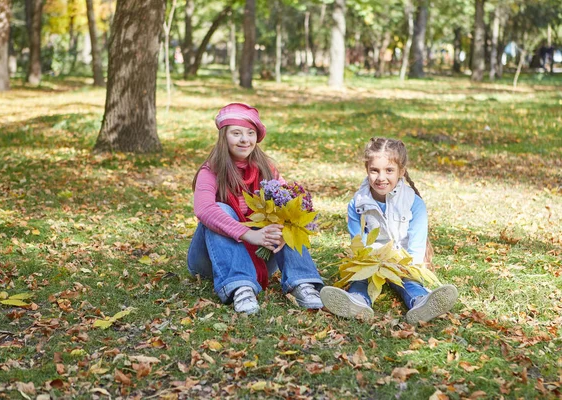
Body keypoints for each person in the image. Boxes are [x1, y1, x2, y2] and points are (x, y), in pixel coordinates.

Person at [187, 103, 324, 315]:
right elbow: (204, 209)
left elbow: (287, 202)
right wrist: (250, 235)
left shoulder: (266, 169)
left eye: (250, 133)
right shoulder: (210, 170)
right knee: (220, 209)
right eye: (236, 133)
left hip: (260, 258)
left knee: (284, 210)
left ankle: (302, 282)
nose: (245, 139)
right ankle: (241, 287)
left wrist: (281, 224)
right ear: (224, 137)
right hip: (211, 261)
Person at [320, 137, 458, 324]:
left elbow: (416, 244)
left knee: (408, 282)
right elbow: (358, 242)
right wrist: (369, 262)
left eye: (389, 170)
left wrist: (410, 266)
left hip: (403, 259)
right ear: (367, 170)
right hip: (371, 258)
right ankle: (357, 302)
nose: (381, 178)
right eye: (374, 170)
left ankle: (420, 302)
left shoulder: (413, 203)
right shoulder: (358, 203)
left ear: (401, 171)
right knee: (361, 279)